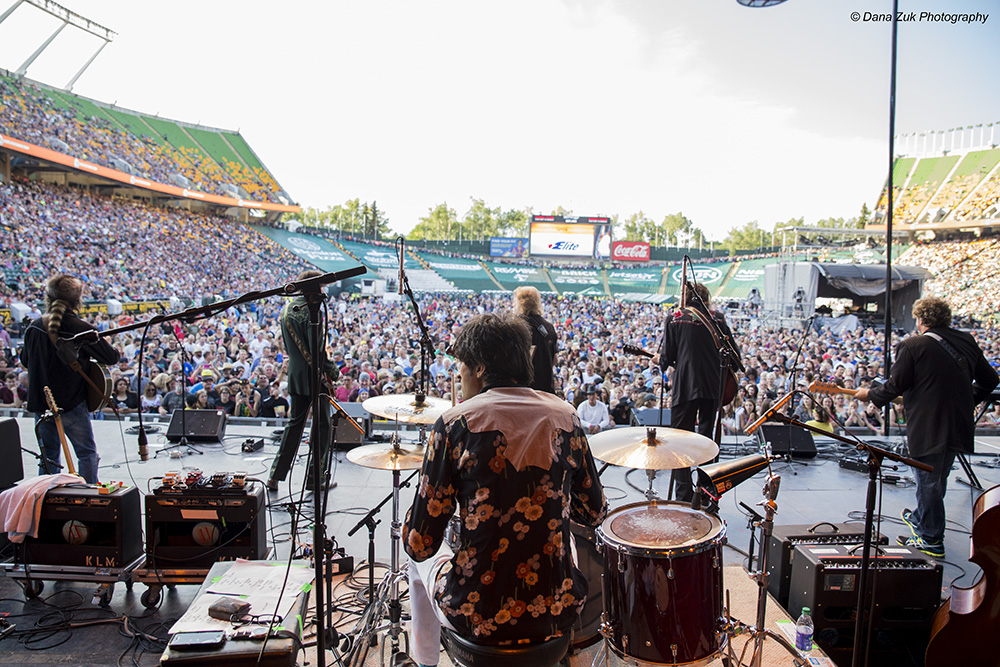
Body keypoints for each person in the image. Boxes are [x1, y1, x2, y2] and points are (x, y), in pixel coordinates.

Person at [402, 312, 606, 666]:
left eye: (462, 365)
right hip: (554, 611)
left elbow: (420, 544)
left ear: (479, 368)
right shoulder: (567, 417)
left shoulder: (455, 423)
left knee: (416, 568)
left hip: (476, 614)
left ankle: (425, 663)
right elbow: (594, 513)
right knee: (566, 542)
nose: (459, 374)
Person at [855, 297, 998, 558]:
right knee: (938, 475)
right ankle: (922, 518)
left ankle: (931, 538)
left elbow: (896, 385)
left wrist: (870, 394)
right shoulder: (966, 340)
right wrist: (969, 399)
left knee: (928, 480)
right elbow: (991, 379)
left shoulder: (912, 345)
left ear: (920, 319)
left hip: (929, 424)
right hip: (959, 422)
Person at [23, 274, 119, 483]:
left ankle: (46, 499)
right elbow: (111, 357)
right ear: (77, 300)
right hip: (72, 402)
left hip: (42, 404)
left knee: (48, 457)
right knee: (86, 453)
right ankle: (87, 499)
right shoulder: (82, 328)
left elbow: (25, 360)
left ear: (48, 298)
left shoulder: (34, 327)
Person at [655, 282, 739, 502]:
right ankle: (706, 492)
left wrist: (660, 360)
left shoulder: (675, 318)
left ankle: (683, 494)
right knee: (707, 441)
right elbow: (734, 357)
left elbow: (667, 358)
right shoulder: (718, 319)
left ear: (686, 296)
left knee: (679, 441)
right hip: (713, 388)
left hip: (685, 387)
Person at [266, 270, 339, 492]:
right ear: (315, 289)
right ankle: (315, 479)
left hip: (296, 375)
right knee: (322, 427)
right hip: (314, 377)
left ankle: (275, 476)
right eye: (322, 287)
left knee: (294, 426)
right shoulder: (312, 311)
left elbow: (289, 347)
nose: (324, 291)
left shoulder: (287, 309)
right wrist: (332, 371)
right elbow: (317, 351)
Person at [512, 286, 558, 393]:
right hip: (546, 392)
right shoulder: (549, 327)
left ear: (520, 304)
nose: (513, 305)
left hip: (522, 393)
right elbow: (554, 360)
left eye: (515, 302)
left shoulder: (514, 327)